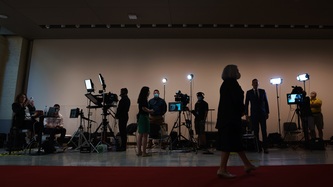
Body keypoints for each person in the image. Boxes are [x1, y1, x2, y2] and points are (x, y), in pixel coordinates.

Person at [216, 64, 257, 178]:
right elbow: (236, 100)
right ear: (232, 72)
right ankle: (222, 169)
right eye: (237, 70)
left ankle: (247, 164)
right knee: (229, 143)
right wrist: (242, 110)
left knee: (235, 142)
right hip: (230, 119)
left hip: (226, 118)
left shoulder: (225, 84)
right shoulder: (232, 83)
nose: (239, 72)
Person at [244, 78, 270, 154]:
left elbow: (266, 102)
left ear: (258, 84)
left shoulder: (262, 91)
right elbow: (246, 104)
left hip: (262, 114)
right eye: (254, 83)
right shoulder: (249, 92)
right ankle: (258, 148)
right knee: (256, 132)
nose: (255, 84)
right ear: (252, 84)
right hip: (254, 114)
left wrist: (267, 112)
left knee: (264, 131)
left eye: (256, 83)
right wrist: (246, 114)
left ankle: (265, 148)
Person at [136, 86, 154, 157]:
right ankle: (144, 152)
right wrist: (150, 111)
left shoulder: (140, 99)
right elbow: (143, 108)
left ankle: (139, 151)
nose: (149, 92)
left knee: (140, 134)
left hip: (141, 117)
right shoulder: (144, 99)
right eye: (148, 91)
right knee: (145, 135)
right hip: (144, 117)